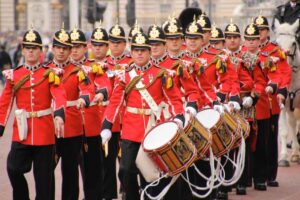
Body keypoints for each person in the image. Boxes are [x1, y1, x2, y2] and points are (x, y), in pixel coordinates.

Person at [100, 32, 185, 200]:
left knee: (152, 174)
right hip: (131, 130)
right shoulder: (124, 75)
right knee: (125, 170)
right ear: (132, 53)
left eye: (143, 50)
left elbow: (174, 98)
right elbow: (115, 102)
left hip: (153, 130)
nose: (139, 53)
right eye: (136, 50)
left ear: (149, 52)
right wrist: (107, 125)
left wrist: (179, 117)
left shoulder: (162, 74)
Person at [0, 28, 66, 200]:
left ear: (40, 51)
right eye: (27, 47)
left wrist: (59, 114)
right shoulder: (14, 75)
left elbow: (59, 95)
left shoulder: (50, 73)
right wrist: (1, 125)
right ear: (22, 50)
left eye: (34, 48)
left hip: (44, 132)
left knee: (44, 180)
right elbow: (5, 102)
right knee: (13, 168)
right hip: (22, 132)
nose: (30, 50)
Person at [48, 25, 95, 200]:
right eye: (58, 48)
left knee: (70, 172)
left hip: (72, 126)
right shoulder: (45, 71)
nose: (61, 52)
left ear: (69, 51)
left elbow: (87, 89)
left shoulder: (78, 71)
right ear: (52, 48)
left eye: (65, 48)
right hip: (50, 127)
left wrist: (84, 98)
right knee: (46, 171)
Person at [70, 26, 111, 199]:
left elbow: (104, 87)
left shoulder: (93, 68)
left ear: (85, 47)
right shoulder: (58, 70)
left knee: (92, 174)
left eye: (77, 47)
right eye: (70, 47)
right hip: (69, 128)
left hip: (91, 128)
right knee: (69, 173)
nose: (74, 50)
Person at [255, 14, 292, 187]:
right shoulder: (249, 50)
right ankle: (255, 174)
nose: (260, 32)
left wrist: (282, 91)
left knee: (270, 137)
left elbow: (284, 72)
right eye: (257, 29)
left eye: (262, 29)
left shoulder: (276, 50)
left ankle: (270, 173)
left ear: (267, 31)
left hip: (270, 100)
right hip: (255, 100)